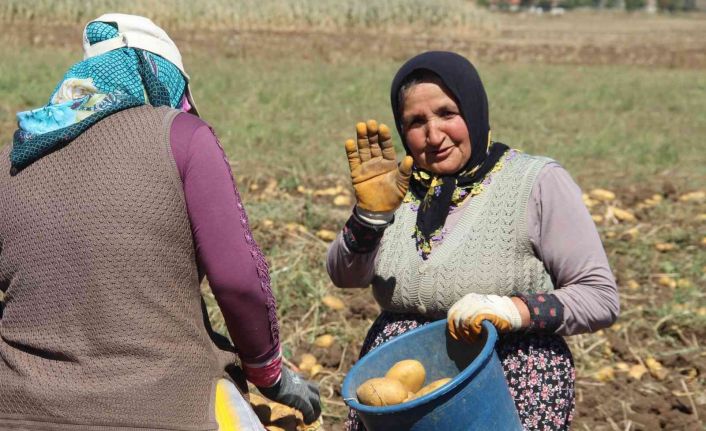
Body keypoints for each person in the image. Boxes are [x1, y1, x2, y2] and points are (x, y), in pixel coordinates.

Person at [0, 14, 320, 430]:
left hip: (17, 410)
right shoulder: (183, 136)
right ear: (157, 77)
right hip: (167, 408)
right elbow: (239, 281)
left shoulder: (13, 159)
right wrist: (270, 374)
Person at [327, 51, 619, 430]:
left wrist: (512, 309)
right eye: (416, 122)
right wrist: (370, 216)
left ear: (474, 109)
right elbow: (345, 275)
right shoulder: (394, 187)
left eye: (447, 113)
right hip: (400, 386)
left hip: (510, 373)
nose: (434, 136)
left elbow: (599, 297)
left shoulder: (535, 182)